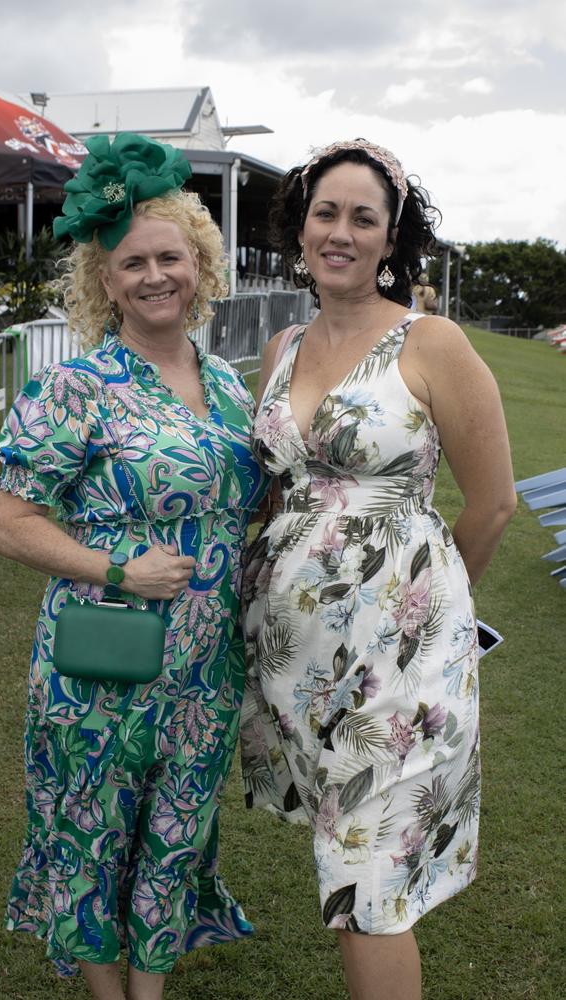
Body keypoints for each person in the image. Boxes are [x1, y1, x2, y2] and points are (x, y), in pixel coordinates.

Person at [0, 132, 267, 1000]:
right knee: (91, 833)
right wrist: (118, 568)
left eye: (170, 257)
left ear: (200, 265)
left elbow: (247, 503)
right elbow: (9, 526)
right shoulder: (75, 389)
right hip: (103, 664)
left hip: (205, 667)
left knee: (176, 831)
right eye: (133, 263)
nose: (155, 276)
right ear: (103, 283)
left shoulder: (226, 384)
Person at [240, 138, 516, 1000]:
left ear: (392, 239)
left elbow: (494, 501)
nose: (342, 232)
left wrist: (428, 611)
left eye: (365, 217)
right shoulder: (283, 344)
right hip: (300, 665)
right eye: (327, 212)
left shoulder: (432, 343)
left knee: (367, 886)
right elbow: (273, 491)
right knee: (348, 859)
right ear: (301, 225)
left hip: (404, 671)